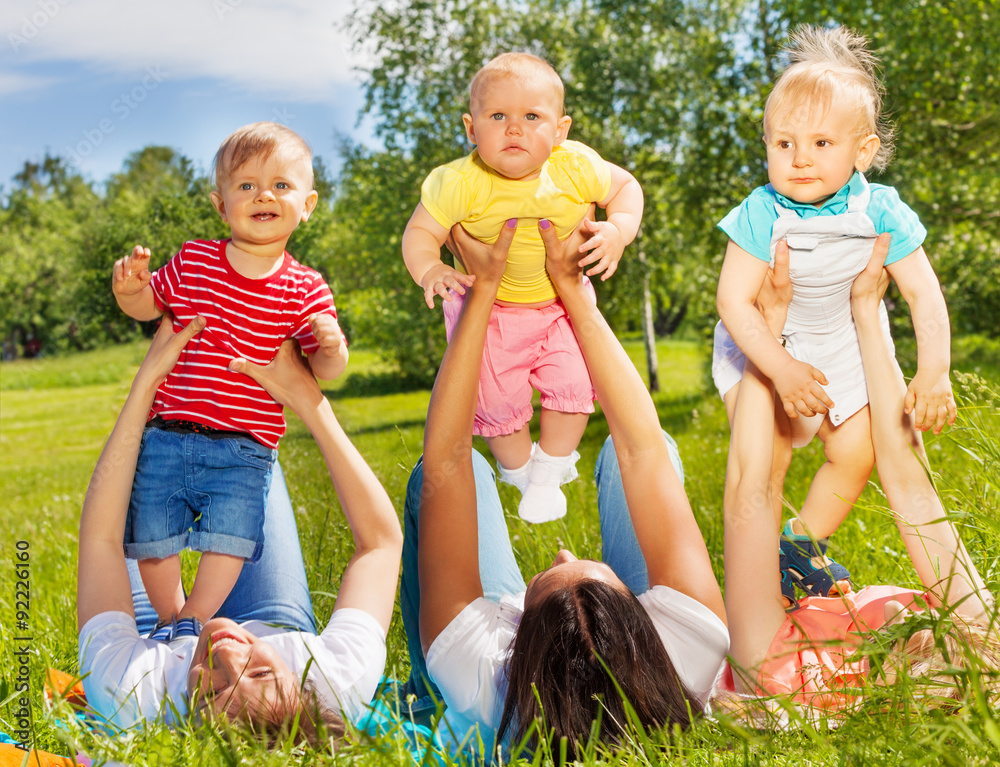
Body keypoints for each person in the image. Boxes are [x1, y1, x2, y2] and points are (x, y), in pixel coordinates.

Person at [399, 217, 728, 761]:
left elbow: (448, 462)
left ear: (518, 642)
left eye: (544, 580)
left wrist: (482, 293)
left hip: (479, 670)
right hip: (648, 657)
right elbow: (641, 448)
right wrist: (574, 292)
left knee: (444, 481)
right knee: (656, 453)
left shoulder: (474, 670)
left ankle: (421, 690)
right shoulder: (691, 645)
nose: (564, 549)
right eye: (601, 574)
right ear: (639, 623)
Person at [712, 26, 956, 600]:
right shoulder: (760, 212)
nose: (799, 160)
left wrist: (934, 372)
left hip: (846, 339)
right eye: (783, 144)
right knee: (765, 462)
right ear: (767, 145)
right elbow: (734, 301)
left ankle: (797, 547)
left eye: (821, 144)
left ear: (862, 150)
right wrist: (780, 369)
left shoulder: (881, 208)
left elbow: (924, 294)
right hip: (768, 342)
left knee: (857, 452)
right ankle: (757, 577)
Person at [77, 315, 402, 743]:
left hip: (149, 641)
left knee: (139, 470)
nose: (226, 651)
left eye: (211, 691)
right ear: (302, 687)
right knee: (244, 453)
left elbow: (100, 540)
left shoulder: (131, 689)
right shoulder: (333, 680)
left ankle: (175, 616)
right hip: (270, 620)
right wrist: (309, 401)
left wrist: (147, 384)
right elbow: (380, 544)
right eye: (262, 671)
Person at [717, 234, 998, 717]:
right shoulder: (982, 642)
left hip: (763, 342)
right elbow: (912, 486)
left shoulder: (780, 673)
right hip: (829, 324)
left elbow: (756, 486)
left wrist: (772, 323)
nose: (919, 614)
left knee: (775, 453)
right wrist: (866, 310)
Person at [110, 122, 348, 638]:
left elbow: (322, 373)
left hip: (245, 447)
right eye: (246, 185)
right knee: (154, 537)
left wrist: (331, 347)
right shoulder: (195, 260)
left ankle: (196, 617)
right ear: (221, 206)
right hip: (169, 432)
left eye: (282, 186)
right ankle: (172, 618)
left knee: (231, 539)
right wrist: (130, 292)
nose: (264, 195)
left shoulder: (305, 288)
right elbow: (152, 305)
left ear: (307, 205)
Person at [401, 52, 644, 523]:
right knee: (494, 402)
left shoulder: (574, 166)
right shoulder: (457, 182)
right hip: (489, 313)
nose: (514, 129)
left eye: (532, 117)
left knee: (575, 386)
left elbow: (625, 186)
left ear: (560, 131)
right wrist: (430, 267)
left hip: (559, 307)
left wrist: (619, 229)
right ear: (471, 129)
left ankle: (550, 471)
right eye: (498, 117)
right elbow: (419, 233)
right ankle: (517, 472)